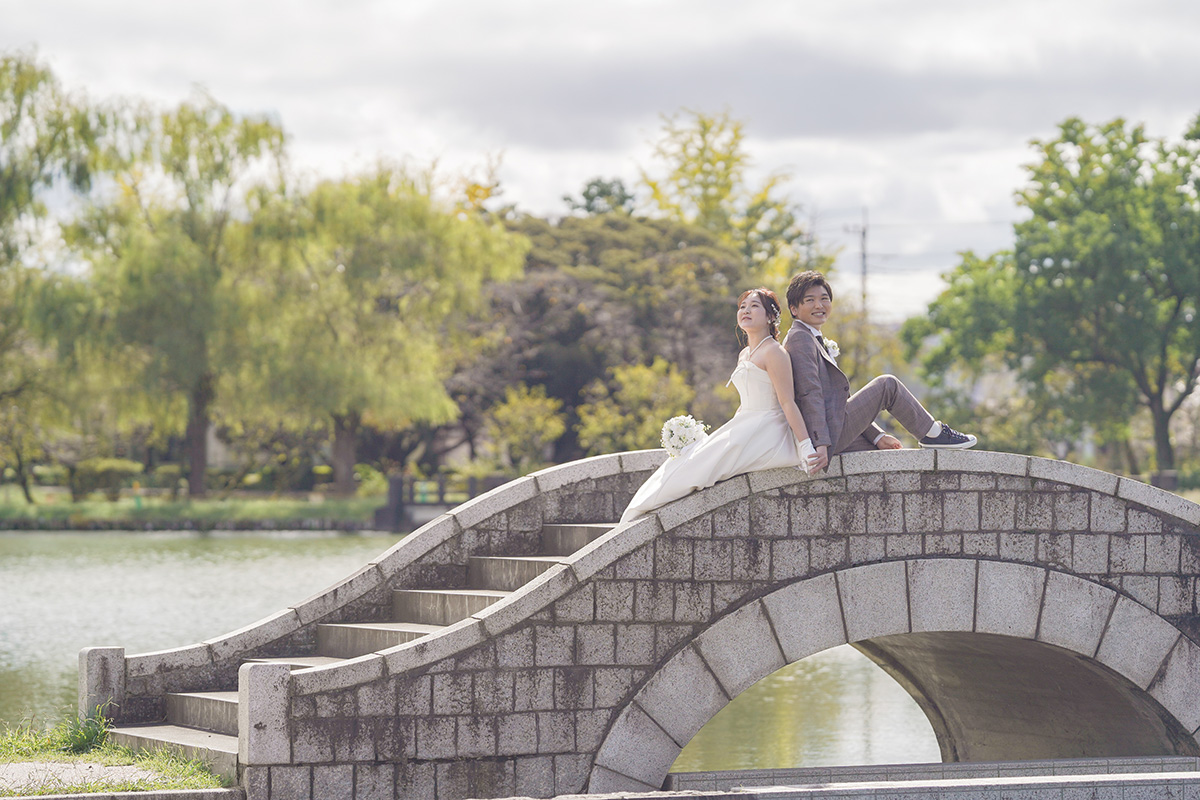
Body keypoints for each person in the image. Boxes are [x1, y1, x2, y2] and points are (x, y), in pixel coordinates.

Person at [620, 288, 819, 523]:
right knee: (690, 458)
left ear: (769, 316)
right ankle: (641, 511)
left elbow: (787, 401)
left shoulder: (774, 352)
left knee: (705, 466)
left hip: (768, 427)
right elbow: (746, 400)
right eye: (742, 306)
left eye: (754, 306)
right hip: (744, 422)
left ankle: (647, 512)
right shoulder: (745, 353)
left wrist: (805, 445)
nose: (745, 310)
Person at [783, 270, 976, 473]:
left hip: (834, 429)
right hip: (827, 434)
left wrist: (877, 436)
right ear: (794, 309)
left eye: (824, 299)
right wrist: (820, 444)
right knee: (887, 385)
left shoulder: (813, 338)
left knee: (888, 459)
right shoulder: (800, 337)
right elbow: (809, 394)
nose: (819, 305)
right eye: (810, 300)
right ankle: (933, 434)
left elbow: (839, 400)